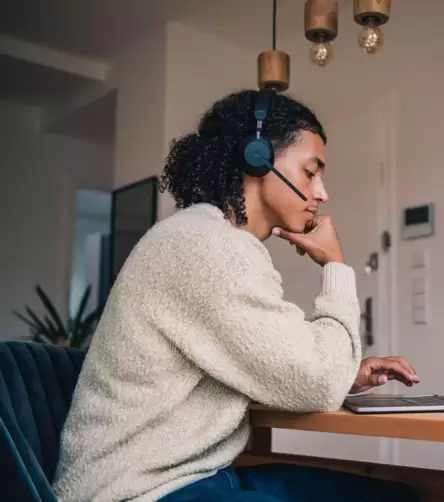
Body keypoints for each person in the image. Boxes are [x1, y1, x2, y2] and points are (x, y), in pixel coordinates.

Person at [52, 89, 421, 502]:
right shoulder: (209, 247)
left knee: (396, 495)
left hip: (187, 478)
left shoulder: (205, 237)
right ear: (258, 159)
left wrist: (345, 375)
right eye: (310, 172)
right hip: (136, 493)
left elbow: (280, 365)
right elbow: (315, 382)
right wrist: (336, 266)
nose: (322, 193)